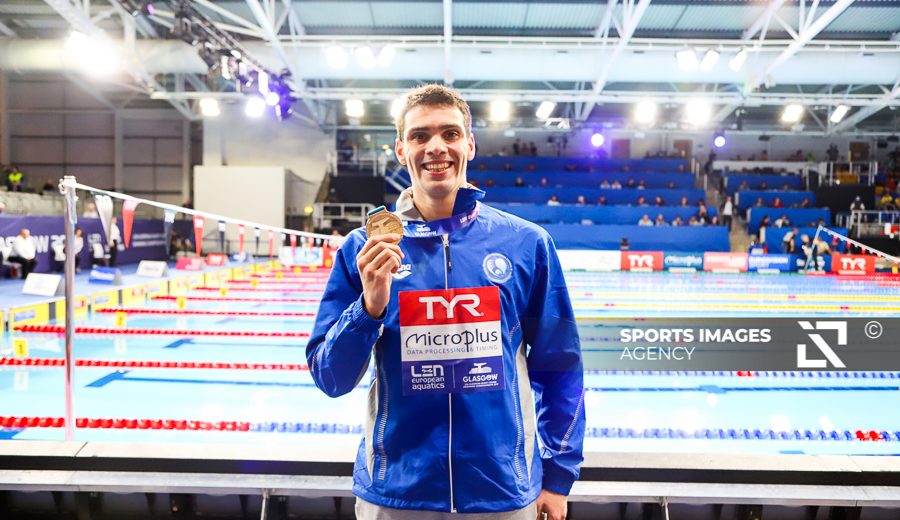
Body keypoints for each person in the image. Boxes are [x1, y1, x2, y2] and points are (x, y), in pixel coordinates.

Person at [307, 84, 584, 520]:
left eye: (450, 134)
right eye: (420, 136)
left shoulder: (527, 244)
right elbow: (330, 378)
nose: (436, 147)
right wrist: (369, 308)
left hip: (502, 494)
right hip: (395, 496)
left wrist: (557, 476)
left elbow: (560, 366)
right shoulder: (363, 250)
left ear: (469, 145)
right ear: (401, 150)